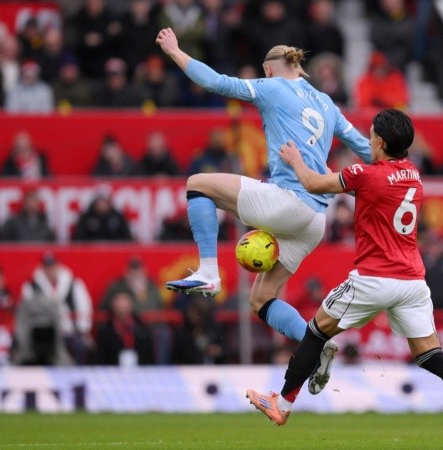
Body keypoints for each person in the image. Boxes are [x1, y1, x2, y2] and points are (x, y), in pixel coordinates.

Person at [246, 109, 443, 448]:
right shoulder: (412, 174)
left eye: (370, 136)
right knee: (430, 355)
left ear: (380, 142)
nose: (367, 140)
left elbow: (313, 183)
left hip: (373, 279)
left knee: (314, 332)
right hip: (412, 282)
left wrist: (296, 160)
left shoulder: (363, 174)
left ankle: (281, 404)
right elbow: (357, 182)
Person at [156, 27, 373, 390]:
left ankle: (209, 271)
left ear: (269, 69)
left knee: (197, 184)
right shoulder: (326, 103)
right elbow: (363, 147)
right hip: (314, 221)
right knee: (261, 300)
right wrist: (397, 167)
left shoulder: (273, 87)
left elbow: (214, 82)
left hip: (287, 201)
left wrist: (176, 52)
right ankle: (318, 345)